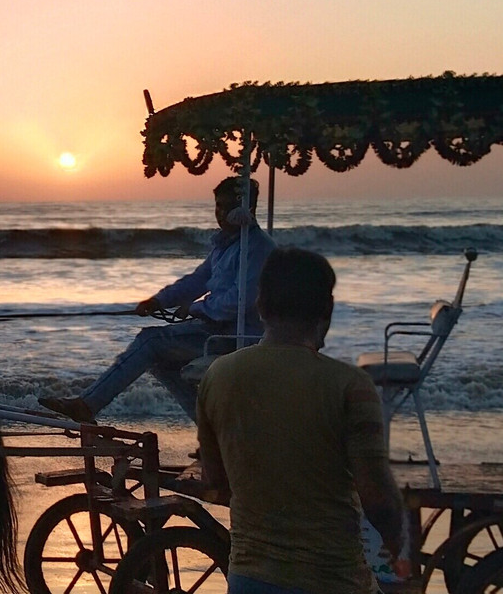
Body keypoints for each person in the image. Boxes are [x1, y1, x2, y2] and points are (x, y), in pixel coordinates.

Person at [197, 247, 409, 594]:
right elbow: (379, 501)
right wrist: (396, 542)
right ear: (326, 310)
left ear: (261, 305)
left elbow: (216, 480)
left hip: (249, 578)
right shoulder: (350, 385)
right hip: (332, 579)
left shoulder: (218, 376)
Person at [39, 175, 276, 423]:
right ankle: (212, 430)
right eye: (218, 205)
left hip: (235, 336)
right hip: (214, 329)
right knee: (161, 363)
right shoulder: (225, 246)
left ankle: (87, 405)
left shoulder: (257, 248)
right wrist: (158, 301)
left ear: (246, 209)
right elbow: (197, 280)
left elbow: (238, 302)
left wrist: (195, 308)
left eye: (227, 207)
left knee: (149, 341)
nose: (220, 213)